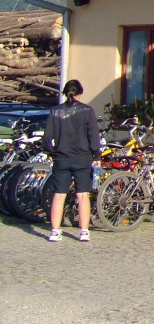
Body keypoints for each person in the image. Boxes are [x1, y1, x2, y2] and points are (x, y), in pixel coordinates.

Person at [43, 79, 101, 242]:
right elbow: (93, 136)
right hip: (82, 158)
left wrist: (52, 152)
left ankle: (55, 232)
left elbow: (47, 138)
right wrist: (96, 156)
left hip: (62, 158)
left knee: (59, 195)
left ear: (65, 93)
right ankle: (84, 232)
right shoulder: (87, 111)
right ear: (80, 94)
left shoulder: (55, 112)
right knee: (82, 195)